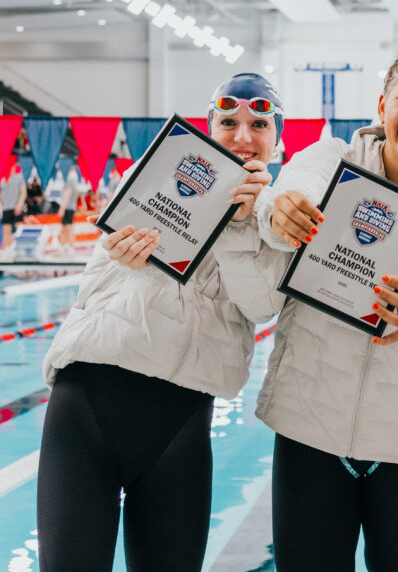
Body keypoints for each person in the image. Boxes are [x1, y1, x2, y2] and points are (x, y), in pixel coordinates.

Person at [240, 36, 398, 571]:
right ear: (382, 105)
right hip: (310, 430)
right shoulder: (329, 159)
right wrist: (280, 211)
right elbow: (289, 193)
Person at [37, 72, 286, 571]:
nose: (242, 135)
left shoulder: (276, 223)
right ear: (207, 127)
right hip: (86, 404)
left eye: (259, 124)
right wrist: (119, 256)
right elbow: (98, 279)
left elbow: (260, 306)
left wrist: (242, 225)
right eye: (228, 121)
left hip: (179, 425)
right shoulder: (154, 178)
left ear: (277, 143)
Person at [0, 164, 27, 259]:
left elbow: (23, 192)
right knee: (6, 232)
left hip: (16, 208)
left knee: (19, 232)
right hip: (6, 208)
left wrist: (19, 205)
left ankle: (22, 252)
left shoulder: (19, 177)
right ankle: (7, 251)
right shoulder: (2, 178)